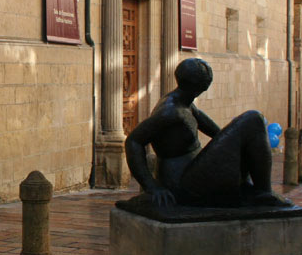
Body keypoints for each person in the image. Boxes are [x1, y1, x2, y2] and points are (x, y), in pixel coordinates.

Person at [124, 58, 291, 208]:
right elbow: (133, 141)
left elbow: (217, 133)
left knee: (251, 124)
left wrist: (236, 148)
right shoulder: (171, 111)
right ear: (200, 87)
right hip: (183, 185)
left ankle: (255, 191)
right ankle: (264, 193)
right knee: (253, 119)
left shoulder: (186, 103)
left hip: (193, 172)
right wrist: (152, 187)